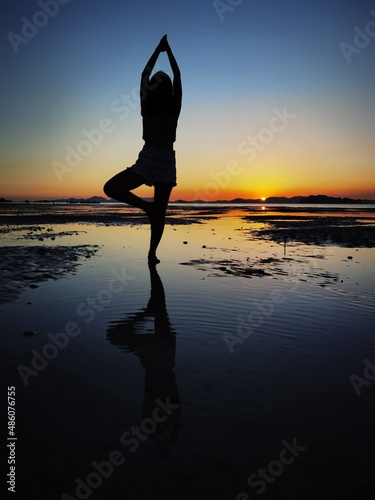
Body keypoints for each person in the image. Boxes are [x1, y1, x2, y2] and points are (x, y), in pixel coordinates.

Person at [103, 35, 182, 265]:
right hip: (147, 158)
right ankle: (147, 208)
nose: (156, 85)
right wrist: (159, 50)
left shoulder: (173, 109)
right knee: (111, 188)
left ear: (165, 89)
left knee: (161, 213)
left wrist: (166, 52)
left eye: (160, 82)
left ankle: (152, 254)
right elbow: (143, 76)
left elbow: (177, 76)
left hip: (166, 160)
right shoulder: (146, 108)